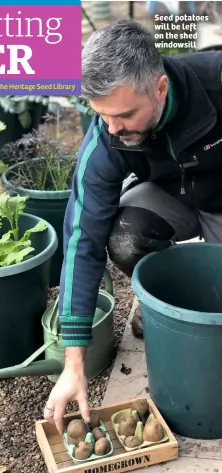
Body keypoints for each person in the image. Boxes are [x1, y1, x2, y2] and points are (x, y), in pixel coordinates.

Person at [43, 19, 222, 433]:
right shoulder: (108, 136)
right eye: (102, 116)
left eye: (124, 114)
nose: (113, 129)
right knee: (123, 235)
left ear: (160, 89)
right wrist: (74, 362)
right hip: (169, 197)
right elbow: (81, 239)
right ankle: (162, 299)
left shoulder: (214, 83)